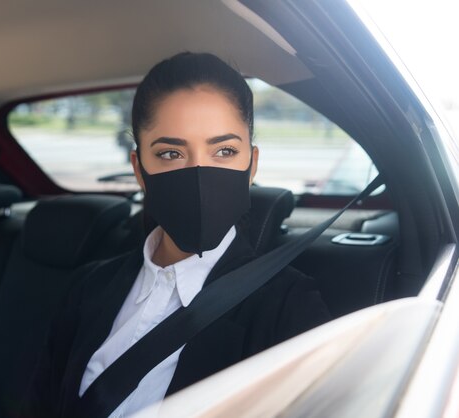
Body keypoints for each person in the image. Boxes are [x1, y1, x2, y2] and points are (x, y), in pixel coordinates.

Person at [19, 52, 332, 418]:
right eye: (170, 153)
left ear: (252, 165)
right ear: (139, 169)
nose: (199, 175)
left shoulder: (290, 309)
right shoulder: (88, 288)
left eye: (224, 151)